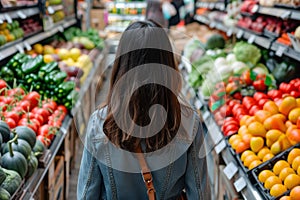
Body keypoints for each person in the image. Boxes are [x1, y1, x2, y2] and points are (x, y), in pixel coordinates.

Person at [77, 20, 211, 200]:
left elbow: (87, 195)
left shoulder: (100, 123)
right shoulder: (188, 122)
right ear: (168, 66)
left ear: (121, 66)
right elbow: (200, 195)